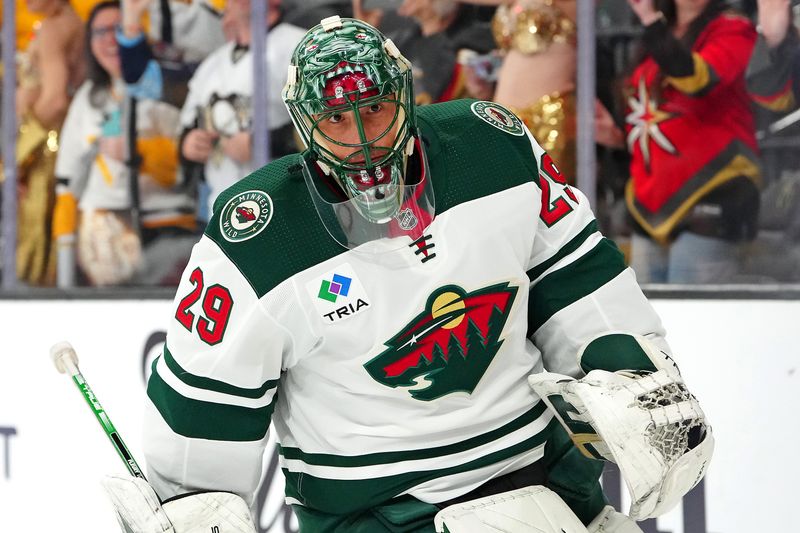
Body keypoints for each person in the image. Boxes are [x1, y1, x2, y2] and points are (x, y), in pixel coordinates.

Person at [105, 16, 712, 533]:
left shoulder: (490, 148)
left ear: (405, 95)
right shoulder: (259, 239)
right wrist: (186, 505)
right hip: (377, 513)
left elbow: (579, 281)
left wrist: (631, 375)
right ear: (303, 124)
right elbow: (203, 414)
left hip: (543, 482)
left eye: (373, 108)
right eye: (337, 120)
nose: (364, 140)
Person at [597, 0, 761, 284]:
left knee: (699, 320)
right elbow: (657, 119)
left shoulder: (733, 28)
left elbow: (698, 79)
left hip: (712, 190)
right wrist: (616, 137)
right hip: (650, 202)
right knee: (648, 321)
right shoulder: (658, 32)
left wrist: (650, 20)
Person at [52, 0, 196, 286]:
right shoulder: (88, 98)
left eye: (118, 29)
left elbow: (190, 161)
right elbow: (67, 183)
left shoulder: (165, 89)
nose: (110, 40)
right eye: (100, 32)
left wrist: (138, 152)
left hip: (169, 232)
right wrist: (66, 254)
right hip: (103, 240)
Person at [178, 0, 306, 221]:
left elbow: (327, 122)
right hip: (221, 214)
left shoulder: (301, 45)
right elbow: (186, 129)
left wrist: (264, 142)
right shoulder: (211, 64)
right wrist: (188, 144)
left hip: (290, 206)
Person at [15, 0, 85, 286]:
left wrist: (20, 153)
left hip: (46, 150)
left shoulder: (55, 29)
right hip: (53, 144)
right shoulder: (65, 22)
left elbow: (55, 100)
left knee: (38, 253)